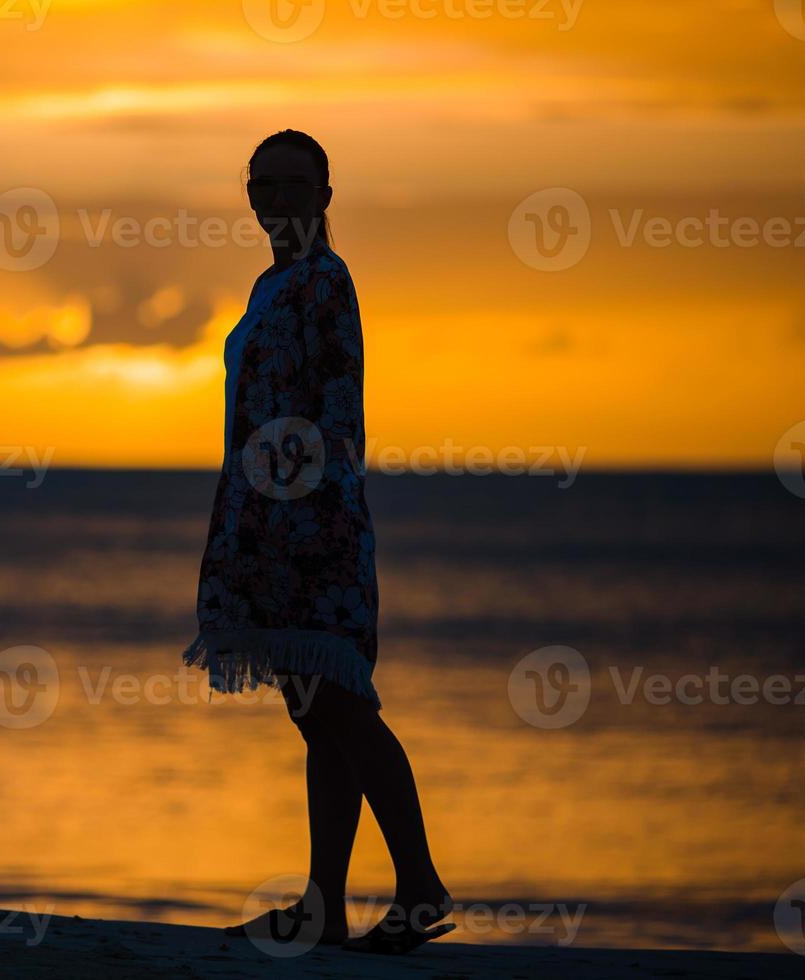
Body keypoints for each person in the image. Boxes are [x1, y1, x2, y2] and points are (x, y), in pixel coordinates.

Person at [182, 129, 452, 956]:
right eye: (262, 185)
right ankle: (324, 908)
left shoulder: (326, 284)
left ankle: (419, 886)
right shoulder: (274, 284)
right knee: (316, 719)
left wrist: (295, 526)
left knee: (339, 703)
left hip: (313, 528)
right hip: (265, 522)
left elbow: (333, 421)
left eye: (293, 186)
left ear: (324, 197)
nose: (276, 200)